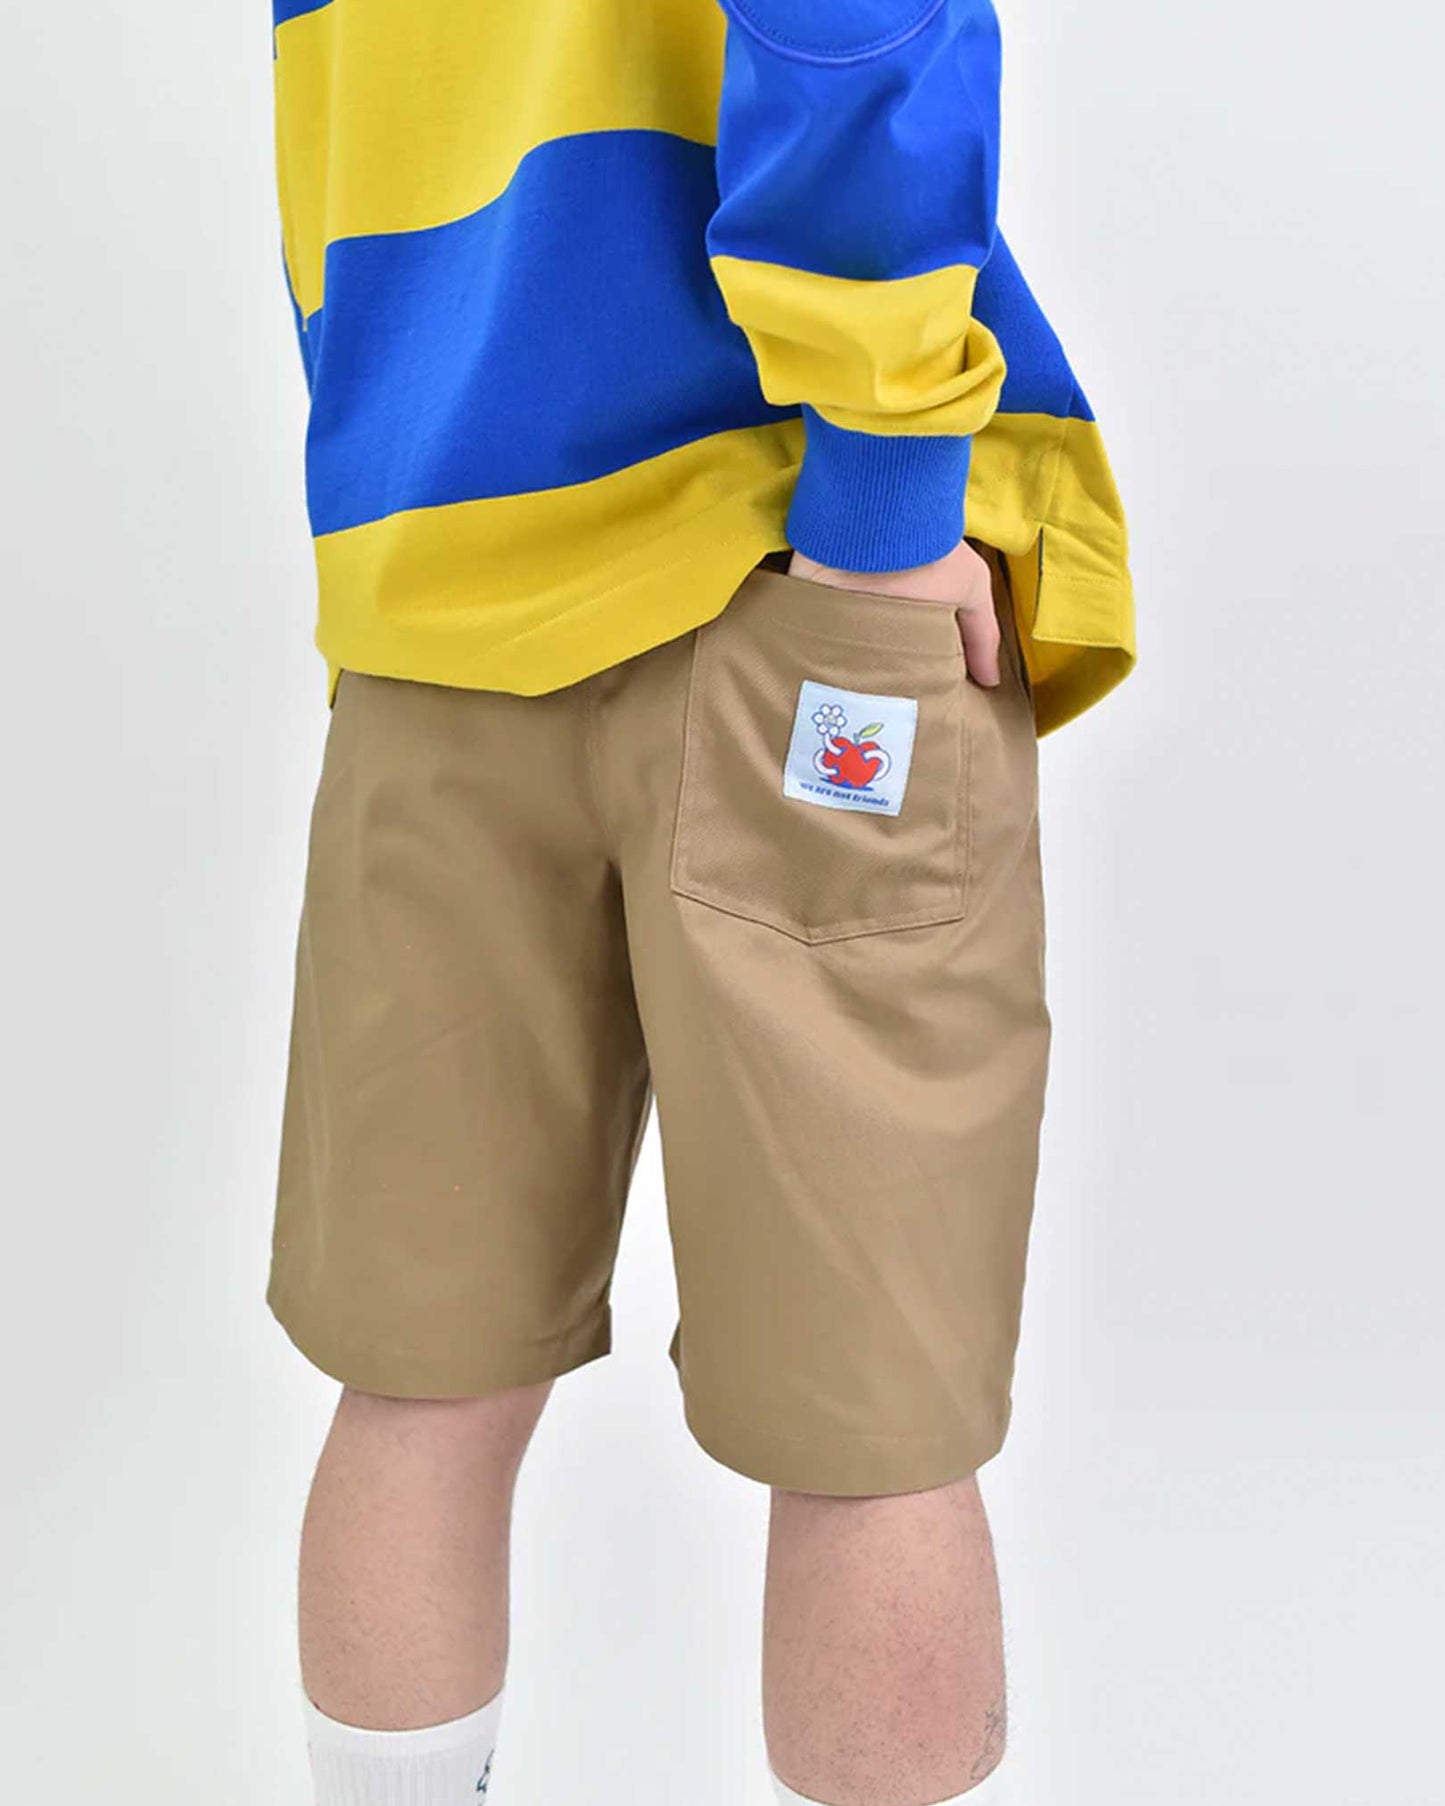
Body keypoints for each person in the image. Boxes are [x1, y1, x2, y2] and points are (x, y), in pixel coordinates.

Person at [265, 0, 1134, 1800]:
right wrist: (889, 494)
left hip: (431, 589)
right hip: (783, 564)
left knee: (423, 1378)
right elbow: (850, 31)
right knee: (869, 1424)